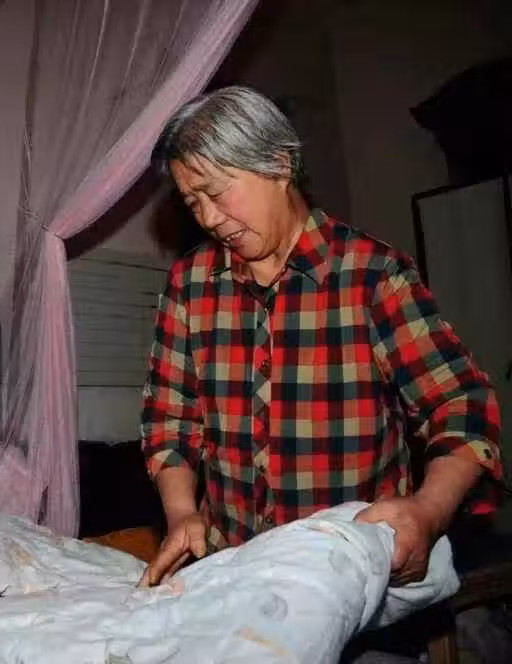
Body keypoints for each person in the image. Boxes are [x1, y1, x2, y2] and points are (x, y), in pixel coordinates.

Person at [138, 85, 503, 589]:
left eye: (216, 192)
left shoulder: (373, 276)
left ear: (279, 164)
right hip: (233, 575)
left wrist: (428, 510)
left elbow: (461, 406)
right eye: (192, 202)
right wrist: (181, 512)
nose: (209, 218)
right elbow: (169, 419)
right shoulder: (189, 284)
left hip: (352, 575)